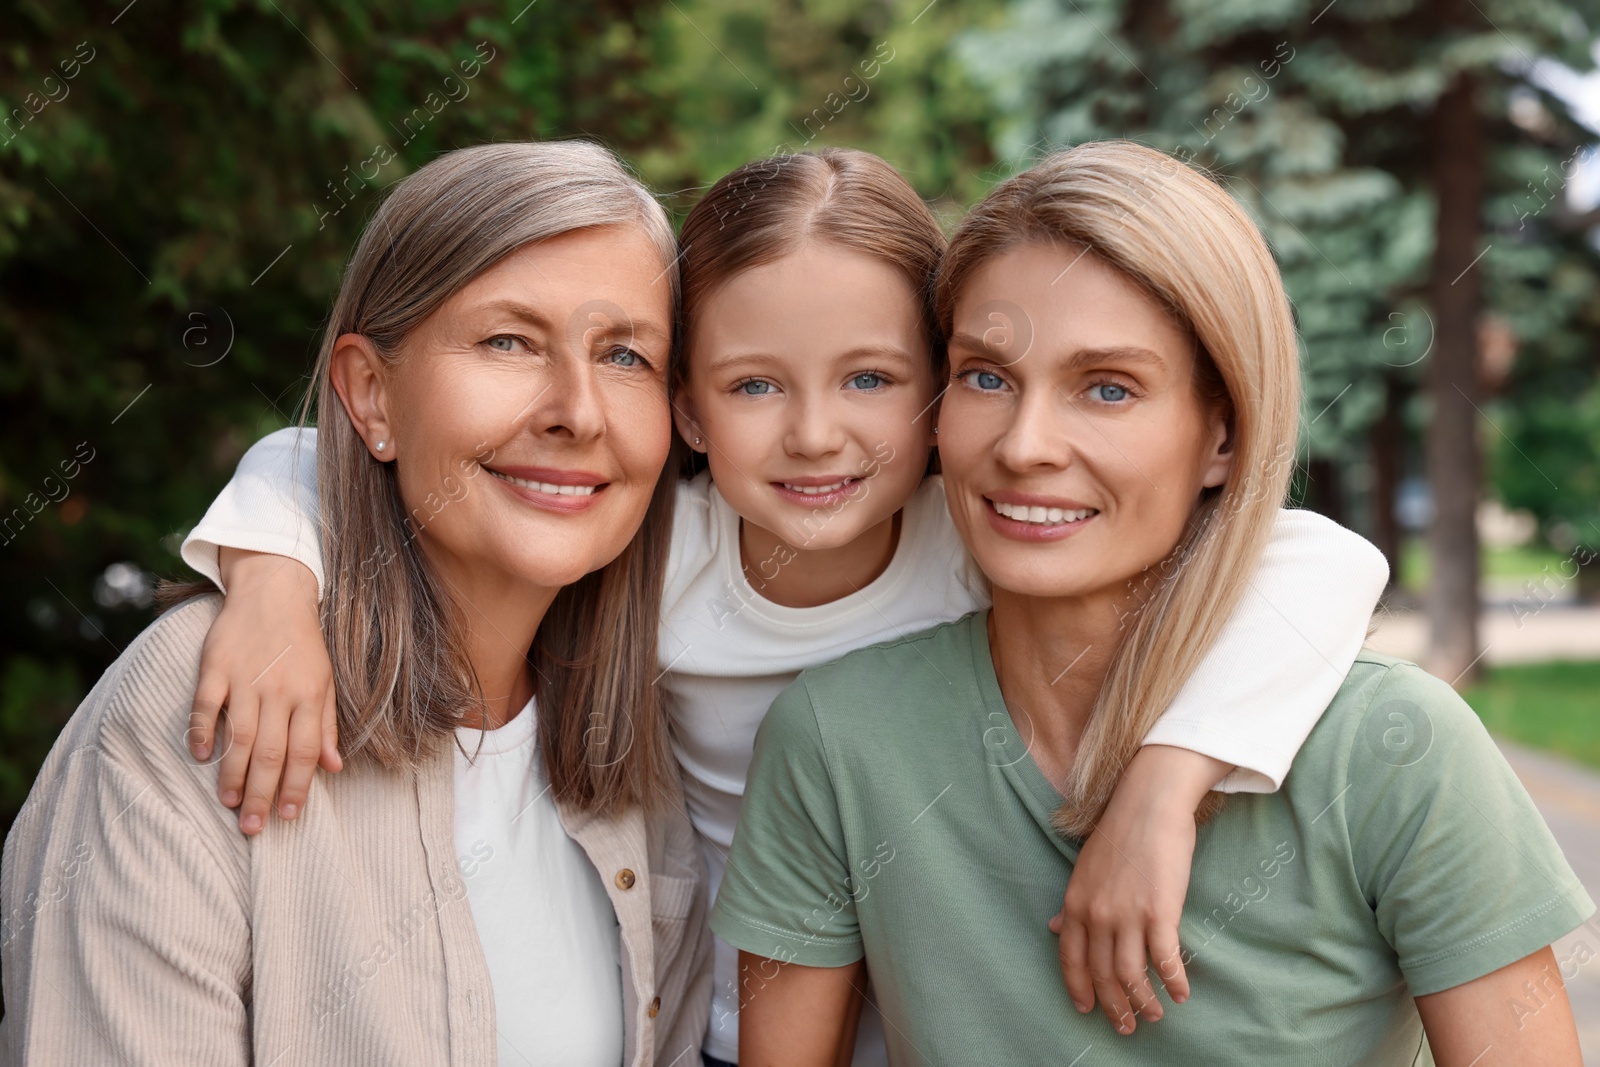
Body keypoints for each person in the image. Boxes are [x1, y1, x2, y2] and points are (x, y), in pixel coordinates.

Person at [177, 148, 1387, 1062]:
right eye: (755, 383)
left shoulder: (974, 539)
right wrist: (276, 580)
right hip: (739, 1018)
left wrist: (1164, 785)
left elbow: (1317, 559)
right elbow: (326, 454)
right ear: (691, 410)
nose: (815, 435)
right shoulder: (657, 552)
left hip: (958, 1009)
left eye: (871, 378)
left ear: (939, 390)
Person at [711, 140, 1595, 1065]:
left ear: (1222, 436)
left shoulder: (1393, 751)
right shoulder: (835, 740)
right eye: (986, 376)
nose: (1026, 446)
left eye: (1108, 387)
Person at [0, 141, 711, 1067]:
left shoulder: (641, 753)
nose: (578, 411)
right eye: (509, 341)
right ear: (371, 395)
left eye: (624, 353)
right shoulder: (205, 702)